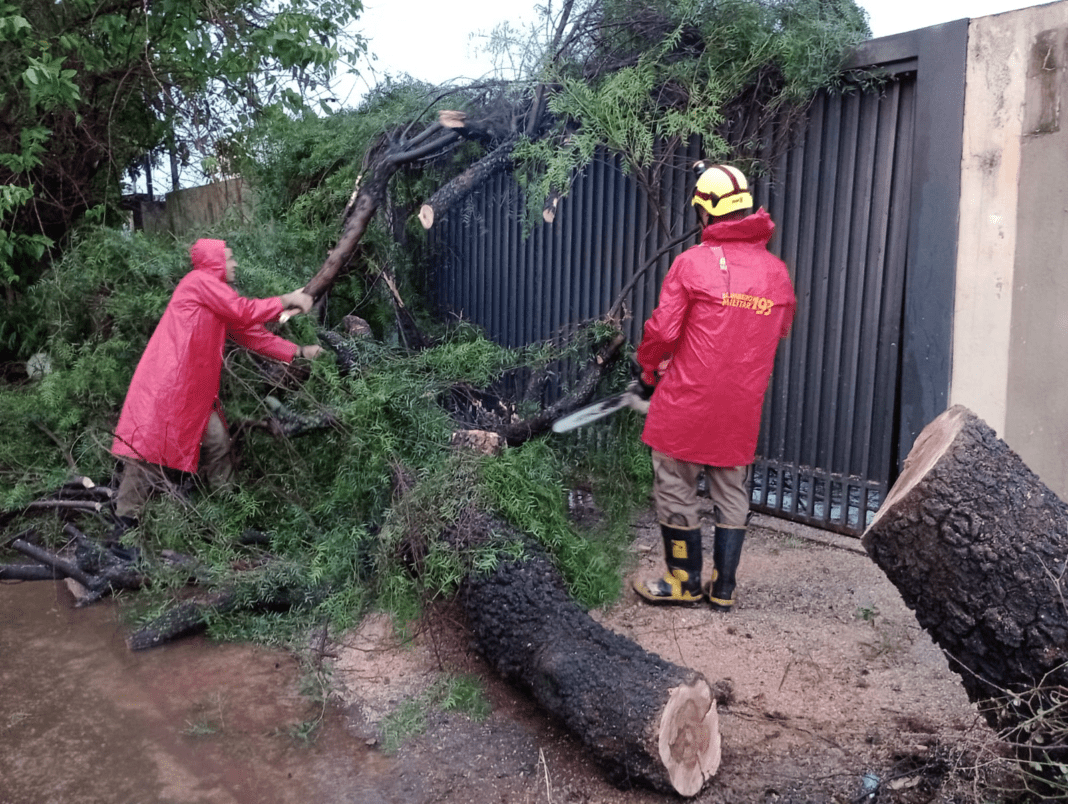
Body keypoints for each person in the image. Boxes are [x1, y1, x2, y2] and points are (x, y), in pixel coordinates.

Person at [633, 162, 796, 611]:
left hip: (686, 401)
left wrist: (649, 372)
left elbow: (664, 333)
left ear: (703, 213)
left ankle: (683, 580)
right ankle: (724, 588)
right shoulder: (777, 274)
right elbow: (772, 335)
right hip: (741, 407)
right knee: (731, 490)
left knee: (675, 484)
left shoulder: (691, 264)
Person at [109, 237, 322, 537]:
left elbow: (250, 333)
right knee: (146, 456)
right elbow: (244, 311)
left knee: (219, 443)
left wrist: (298, 352)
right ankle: (124, 531)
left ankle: (230, 519)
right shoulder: (199, 282)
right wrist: (288, 299)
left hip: (192, 394)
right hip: (167, 389)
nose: (234, 264)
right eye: (230, 258)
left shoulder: (216, 295)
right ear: (214, 262)